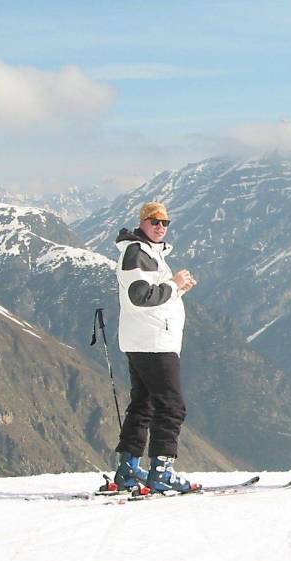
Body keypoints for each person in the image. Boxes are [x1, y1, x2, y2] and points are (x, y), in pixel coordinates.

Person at [111, 201, 199, 493]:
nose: (160, 226)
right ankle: (161, 472)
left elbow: (150, 296)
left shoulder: (145, 251)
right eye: (154, 221)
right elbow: (140, 295)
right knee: (171, 406)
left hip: (144, 339)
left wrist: (176, 290)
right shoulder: (137, 252)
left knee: (143, 403)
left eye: (165, 222)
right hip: (154, 342)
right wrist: (174, 285)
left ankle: (127, 468)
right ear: (142, 222)